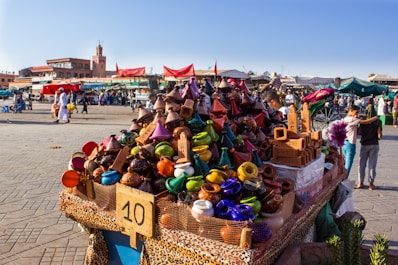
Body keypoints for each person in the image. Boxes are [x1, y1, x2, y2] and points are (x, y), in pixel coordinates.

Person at [342, 105, 378, 178]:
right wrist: (376, 118)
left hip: (344, 143)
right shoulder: (351, 119)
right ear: (351, 110)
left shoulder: (345, 119)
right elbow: (365, 122)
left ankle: (343, 177)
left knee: (345, 162)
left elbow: (357, 131)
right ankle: (344, 179)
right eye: (356, 112)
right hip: (350, 143)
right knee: (348, 164)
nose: (357, 114)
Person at [357, 109, 382, 190]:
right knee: (372, 165)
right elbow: (379, 135)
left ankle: (360, 182)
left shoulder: (363, 121)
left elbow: (359, 132)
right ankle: (371, 184)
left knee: (361, 164)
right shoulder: (378, 121)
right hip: (374, 144)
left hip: (364, 144)